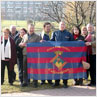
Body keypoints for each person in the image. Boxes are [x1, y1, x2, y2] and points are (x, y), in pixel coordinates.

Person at [51, 21, 74, 88]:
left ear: (65, 26)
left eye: (63, 25)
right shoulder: (55, 33)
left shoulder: (69, 34)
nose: (62, 26)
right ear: (59, 26)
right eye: (61, 24)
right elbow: (51, 42)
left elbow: (72, 44)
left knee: (65, 69)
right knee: (56, 68)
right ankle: (57, 82)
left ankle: (65, 83)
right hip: (57, 54)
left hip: (66, 54)